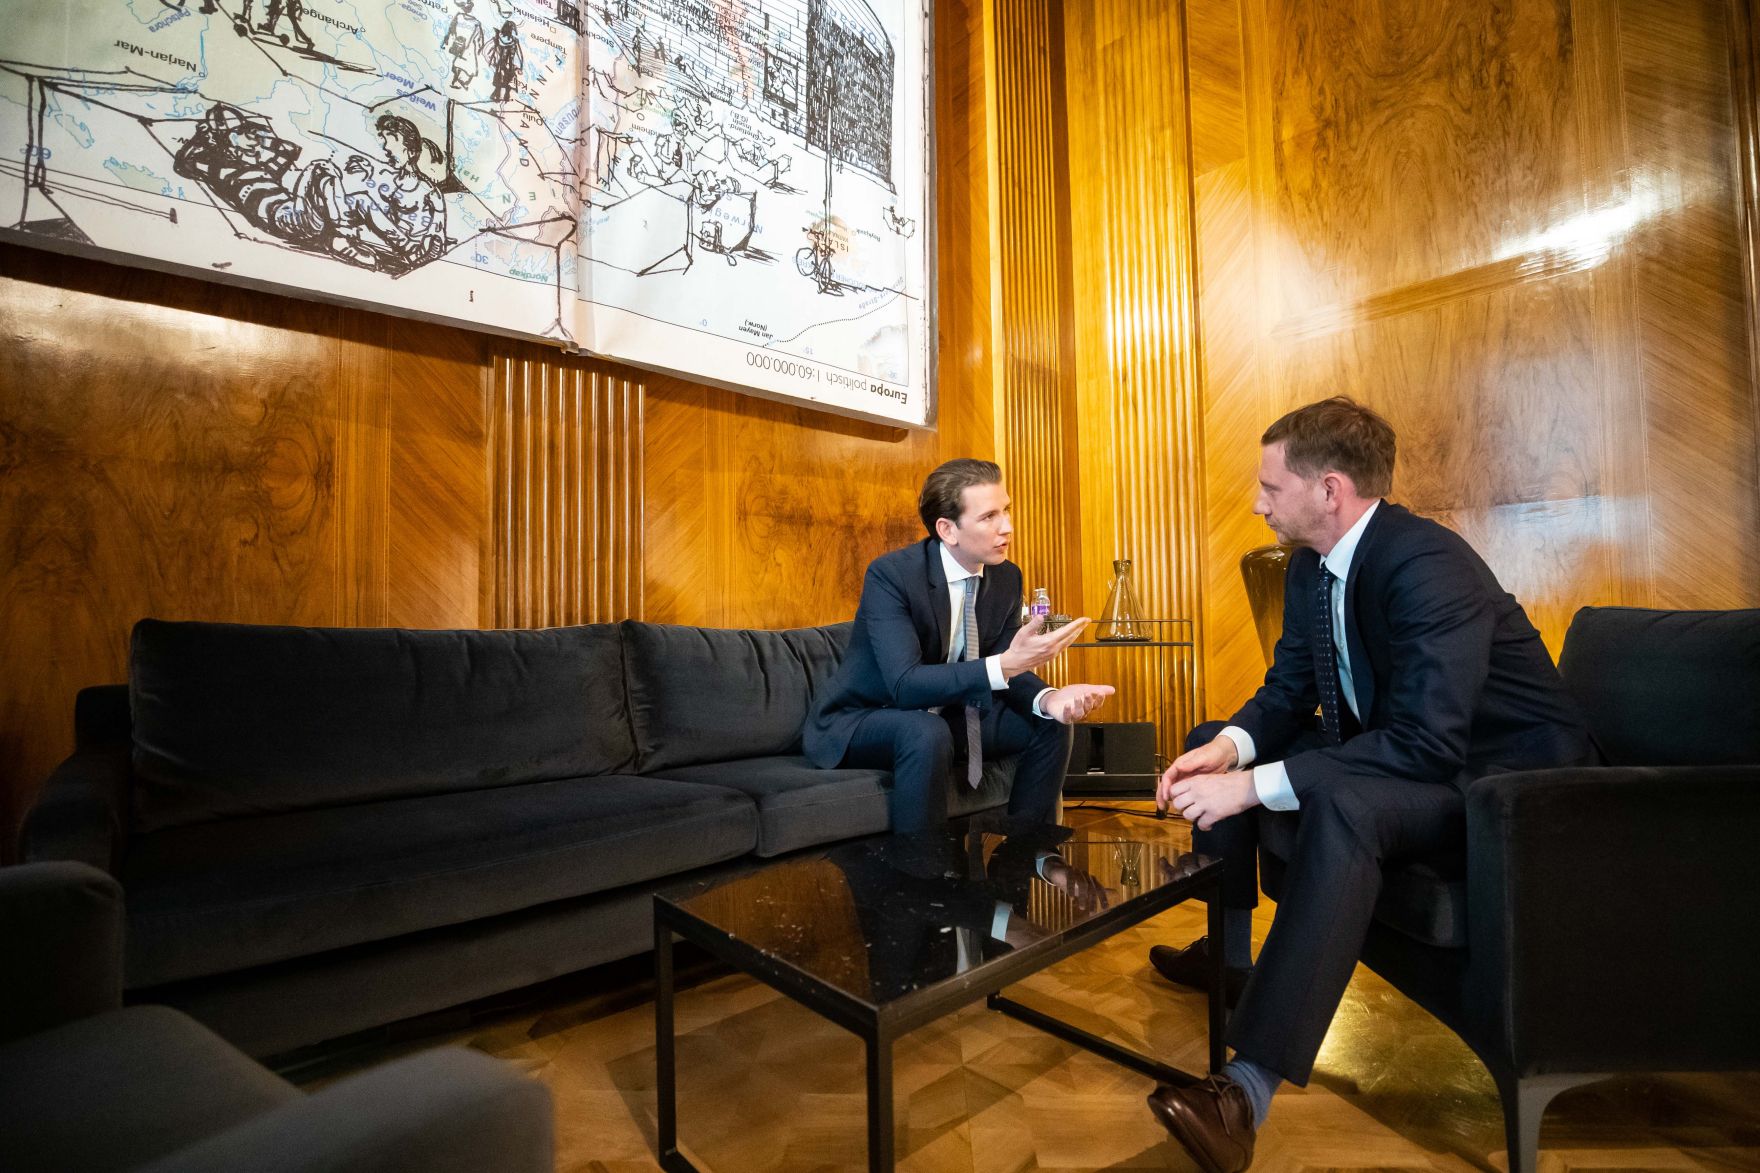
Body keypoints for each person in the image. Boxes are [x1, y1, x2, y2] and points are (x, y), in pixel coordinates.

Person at [1144, 397, 1595, 1172]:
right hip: (1422, 756)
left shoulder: (1428, 563)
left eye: (1270, 486)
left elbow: (1427, 741)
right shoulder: (1309, 564)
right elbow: (1288, 692)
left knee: (1344, 807)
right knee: (1208, 744)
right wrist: (1226, 748)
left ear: (1330, 490)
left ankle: (1243, 1093)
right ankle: (1232, 957)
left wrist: (1252, 789)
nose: (1256, 502)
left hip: (1509, 791)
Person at [802, 459, 1116, 832]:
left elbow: (1004, 662)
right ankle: (922, 876)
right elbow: (905, 684)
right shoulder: (892, 576)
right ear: (947, 529)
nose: (1008, 527)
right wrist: (1006, 664)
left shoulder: (1005, 577)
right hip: (863, 718)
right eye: (989, 517)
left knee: (1049, 721)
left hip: (946, 714)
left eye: (1007, 511)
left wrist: (1049, 698)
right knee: (923, 731)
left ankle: (1022, 866)